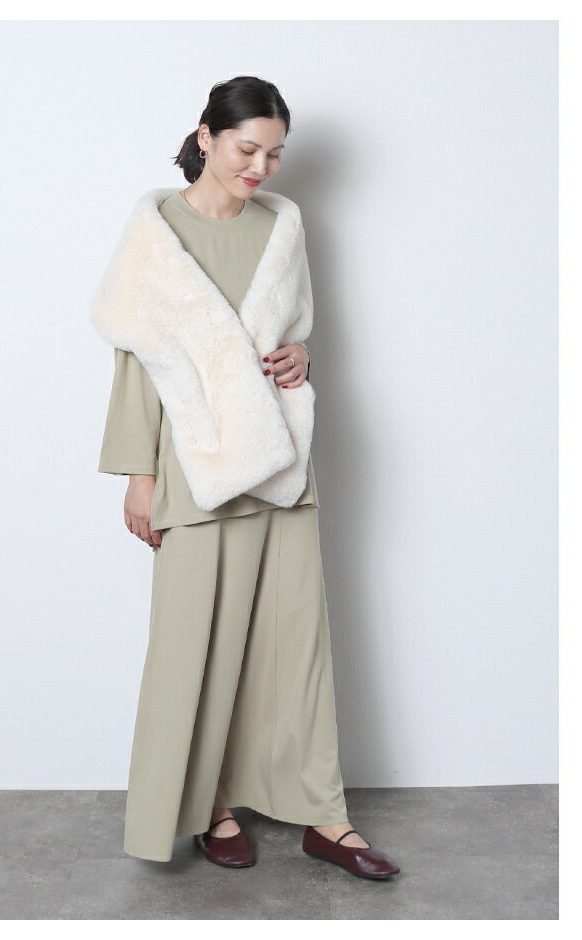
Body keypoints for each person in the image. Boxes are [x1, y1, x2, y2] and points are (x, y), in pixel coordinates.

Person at [92, 75, 400, 880]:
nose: (260, 168)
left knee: (295, 643)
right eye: (246, 149)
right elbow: (138, 362)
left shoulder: (282, 226)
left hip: (281, 461)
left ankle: (324, 816)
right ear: (206, 137)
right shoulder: (157, 231)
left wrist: (302, 356)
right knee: (194, 644)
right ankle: (211, 806)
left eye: (275, 154)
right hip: (193, 466)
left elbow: (288, 336)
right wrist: (138, 475)